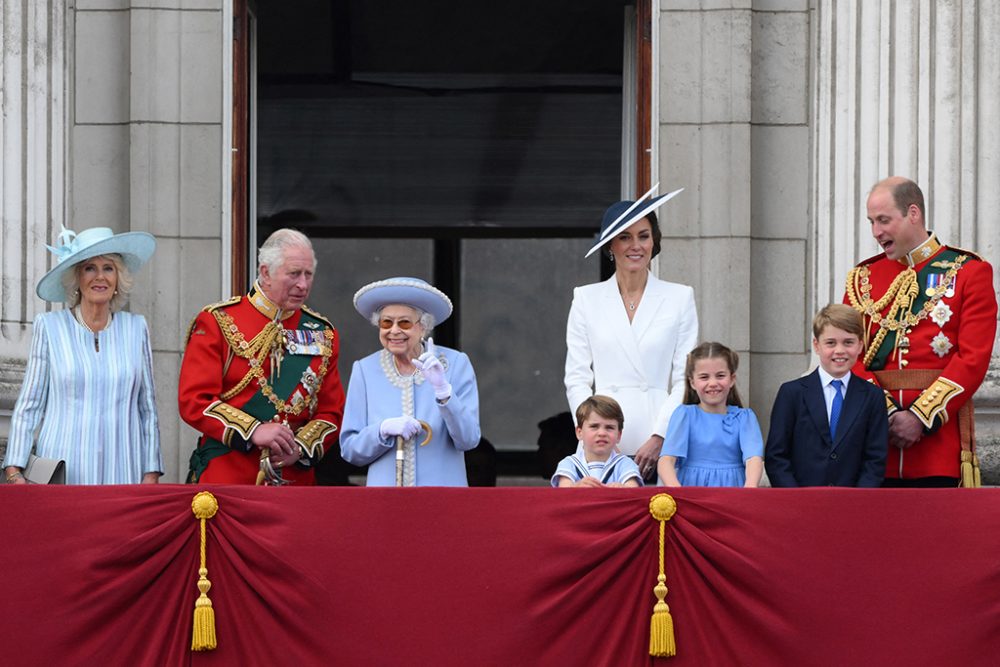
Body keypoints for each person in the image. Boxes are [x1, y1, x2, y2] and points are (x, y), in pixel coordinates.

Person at [844, 177, 998, 487]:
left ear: (913, 213)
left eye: (884, 220)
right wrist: (885, 413)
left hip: (936, 446)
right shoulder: (863, 279)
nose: (876, 232)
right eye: (872, 222)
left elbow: (973, 359)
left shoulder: (968, 272)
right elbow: (848, 355)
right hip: (876, 446)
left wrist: (919, 417)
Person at [179, 228, 344, 485]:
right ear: (265, 272)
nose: (303, 284)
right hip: (228, 476)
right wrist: (253, 430)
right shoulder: (218, 321)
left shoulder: (322, 333)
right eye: (294, 274)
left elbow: (331, 412)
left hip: (294, 481)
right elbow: (195, 401)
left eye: (308, 274)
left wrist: (300, 448)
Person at [4, 226, 162, 485]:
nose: (100, 277)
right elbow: (30, 404)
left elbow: (147, 408)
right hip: (63, 472)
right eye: (90, 267)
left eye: (108, 268)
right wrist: (14, 469)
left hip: (124, 471)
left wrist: (151, 472)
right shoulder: (50, 327)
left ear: (118, 278)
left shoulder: (136, 329)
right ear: (76, 277)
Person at [565, 187, 698, 482]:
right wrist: (595, 430)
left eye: (643, 235)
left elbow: (683, 379)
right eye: (625, 236)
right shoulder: (586, 299)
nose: (635, 245)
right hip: (599, 443)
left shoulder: (679, 298)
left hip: (659, 442)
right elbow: (576, 377)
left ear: (654, 241)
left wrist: (660, 434)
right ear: (610, 244)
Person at [340, 277, 481, 486]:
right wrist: (381, 430)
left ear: (423, 327)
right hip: (385, 501)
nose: (394, 331)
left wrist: (443, 392)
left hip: (442, 500)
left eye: (404, 323)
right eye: (386, 322)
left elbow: (468, 439)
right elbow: (350, 451)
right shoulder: (364, 370)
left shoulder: (455, 364)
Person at [765, 305, 888, 487]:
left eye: (848, 342)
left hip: (853, 502)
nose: (839, 350)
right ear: (817, 345)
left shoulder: (872, 396)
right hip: (801, 501)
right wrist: (794, 498)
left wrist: (860, 499)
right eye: (831, 343)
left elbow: (875, 458)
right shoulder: (792, 393)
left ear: (860, 345)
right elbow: (777, 455)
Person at [656, 342, 763, 488]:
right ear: (692, 382)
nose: (713, 383)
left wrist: (749, 489)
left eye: (720, 376)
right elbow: (666, 460)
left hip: (734, 492)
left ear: (732, 379)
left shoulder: (745, 418)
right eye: (704, 377)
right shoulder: (684, 415)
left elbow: (753, 459)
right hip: (692, 492)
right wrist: (677, 491)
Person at [551, 395, 642, 488]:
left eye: (609, 427)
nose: (602, 433)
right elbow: (563, 490)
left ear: (618, 435)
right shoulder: (569, 464)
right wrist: (576, 487)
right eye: (594, 426)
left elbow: (633, 489)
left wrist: (622, 489)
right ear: (579, 432)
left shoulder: (625, 464)